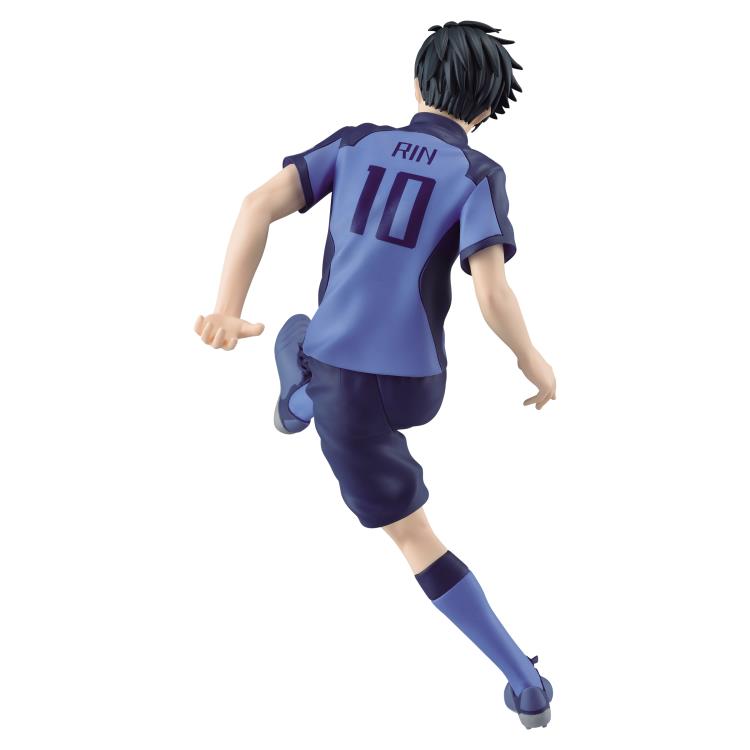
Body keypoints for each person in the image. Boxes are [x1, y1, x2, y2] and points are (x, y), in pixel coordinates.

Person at [195, 20, 557, 730]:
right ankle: (304, 399)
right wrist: (532, 360)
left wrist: (228, 310)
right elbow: (491, 292)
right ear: (488, 110)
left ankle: (525, 683)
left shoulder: (355, 143)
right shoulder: (478, 174)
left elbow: (257, 205)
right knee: (303, 340)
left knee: (412, 533)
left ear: (417, 83)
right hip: (419, 385)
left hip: (345, 381)